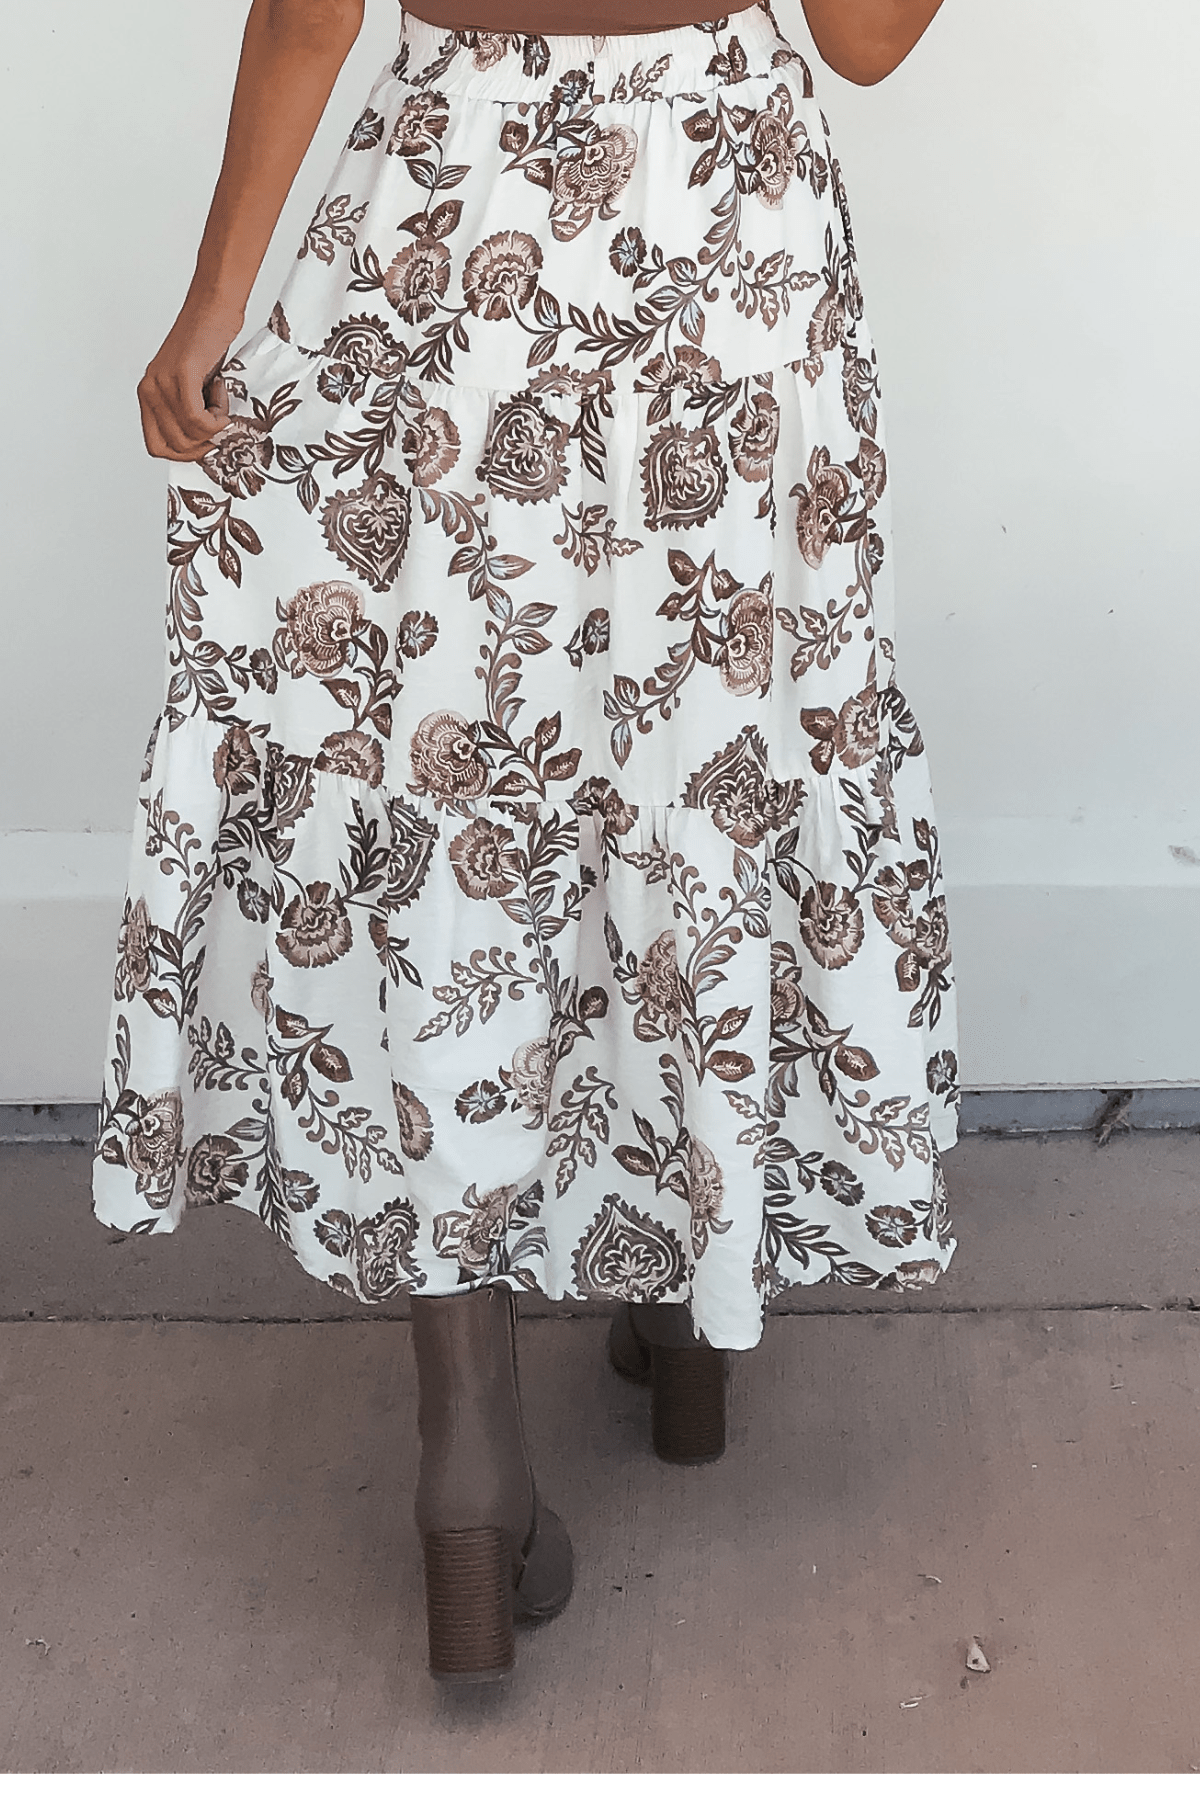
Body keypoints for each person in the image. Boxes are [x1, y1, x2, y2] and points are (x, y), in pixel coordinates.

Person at [95, 0, 957, 1682]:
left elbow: (307, 14)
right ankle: (687, 1320)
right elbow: (863, 38)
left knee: (453, 789)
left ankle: (469, 1451)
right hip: (725, 237)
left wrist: (211, 309)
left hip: (449, 220)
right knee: (700, 761)